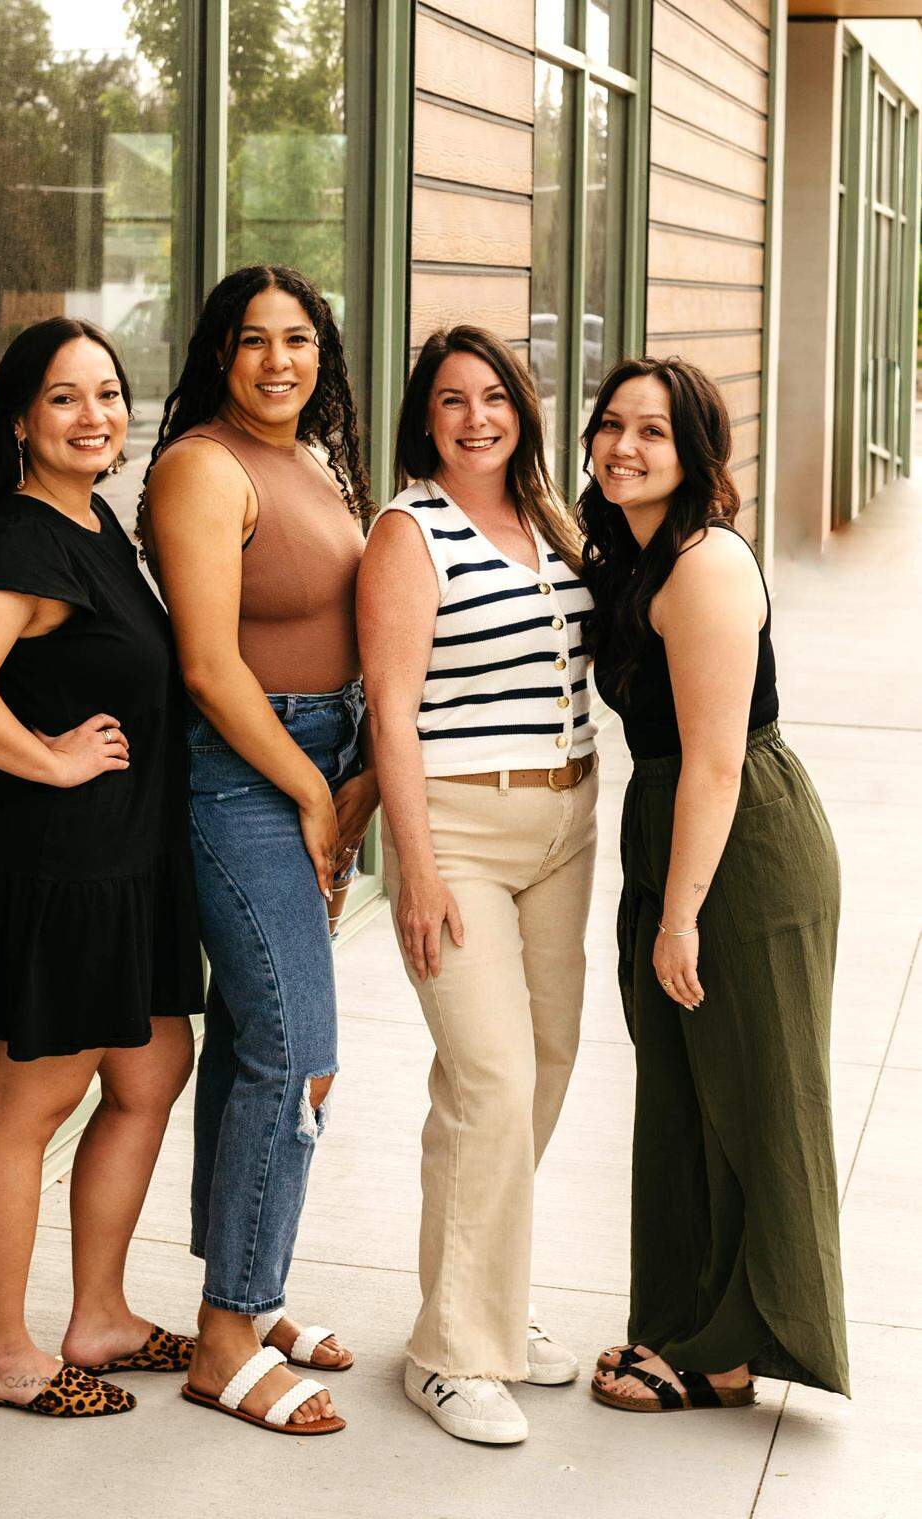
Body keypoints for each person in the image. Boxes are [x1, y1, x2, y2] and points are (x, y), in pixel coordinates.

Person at [0, 318, 204, 1418]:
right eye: (66, 398)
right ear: (22, 419)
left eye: (110, 393)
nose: (96, 415)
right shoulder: (19, 540)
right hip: (58, 864)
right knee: (32, 1104)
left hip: (123, 864)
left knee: (148, 1067)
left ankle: (101, 1317)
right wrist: (49, 759)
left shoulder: (93, 526)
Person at [581, 356, 849, 1412]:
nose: (625, 446)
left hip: (741, 847)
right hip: (680, 829)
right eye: (611, 425)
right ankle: (691, 1328)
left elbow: (718, 759)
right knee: (684, 1091)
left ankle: (730, 1351)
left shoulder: (703, 564)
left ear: (697, 452)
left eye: (653, 431)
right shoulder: (636, 552)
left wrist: (681, 913)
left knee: (753, 1094)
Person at [139, 264, 377, 1437]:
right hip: (245, 778)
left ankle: (242, 1287)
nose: (279, 360)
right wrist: (313, 798)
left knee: (250, 1046)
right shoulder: (200, 466)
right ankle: (229, 1331)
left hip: (313, 766)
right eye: (252, 341)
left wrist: (350, 783)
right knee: (299, 1053)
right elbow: (208, 667)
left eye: (298, 339)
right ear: (218, 357)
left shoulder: (317, 467)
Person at [357, 326, 597, 1445]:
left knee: (542, 1065)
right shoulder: (411, 531)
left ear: (525, 406)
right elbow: (391, 711)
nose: (476, 418)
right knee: (489, 1074)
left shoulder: (552, 517)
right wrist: (412, 866)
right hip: (459, 827)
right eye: (451, 401)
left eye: (494, 396)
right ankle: (452, 1349)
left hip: (565, 819)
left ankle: (487, 1301)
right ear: (426, 419)